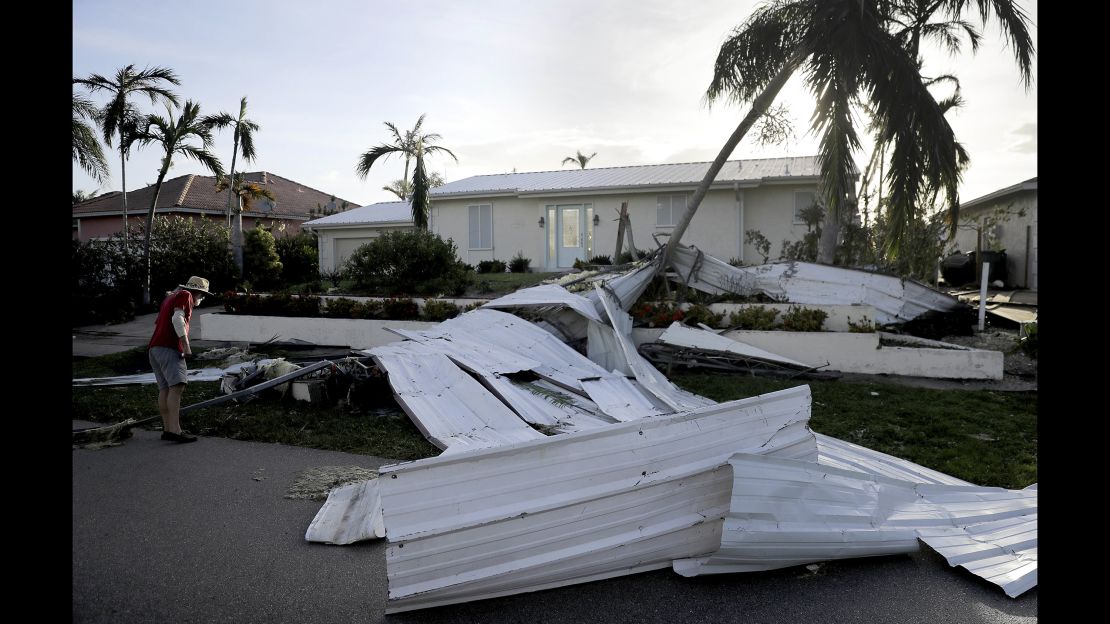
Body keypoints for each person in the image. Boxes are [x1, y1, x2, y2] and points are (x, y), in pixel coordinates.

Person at [148, 276, 212, 443]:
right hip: (169, 347)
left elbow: (160, 323)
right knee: (177, 387)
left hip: (155, 348)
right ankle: (176, 431)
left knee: (165, 389)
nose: (201, 299)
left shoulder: (171, 297)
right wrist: (186, 345)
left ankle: (168, 429)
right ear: (198, 292)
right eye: (202, 295)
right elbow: (177, 319)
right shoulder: (186, 295)